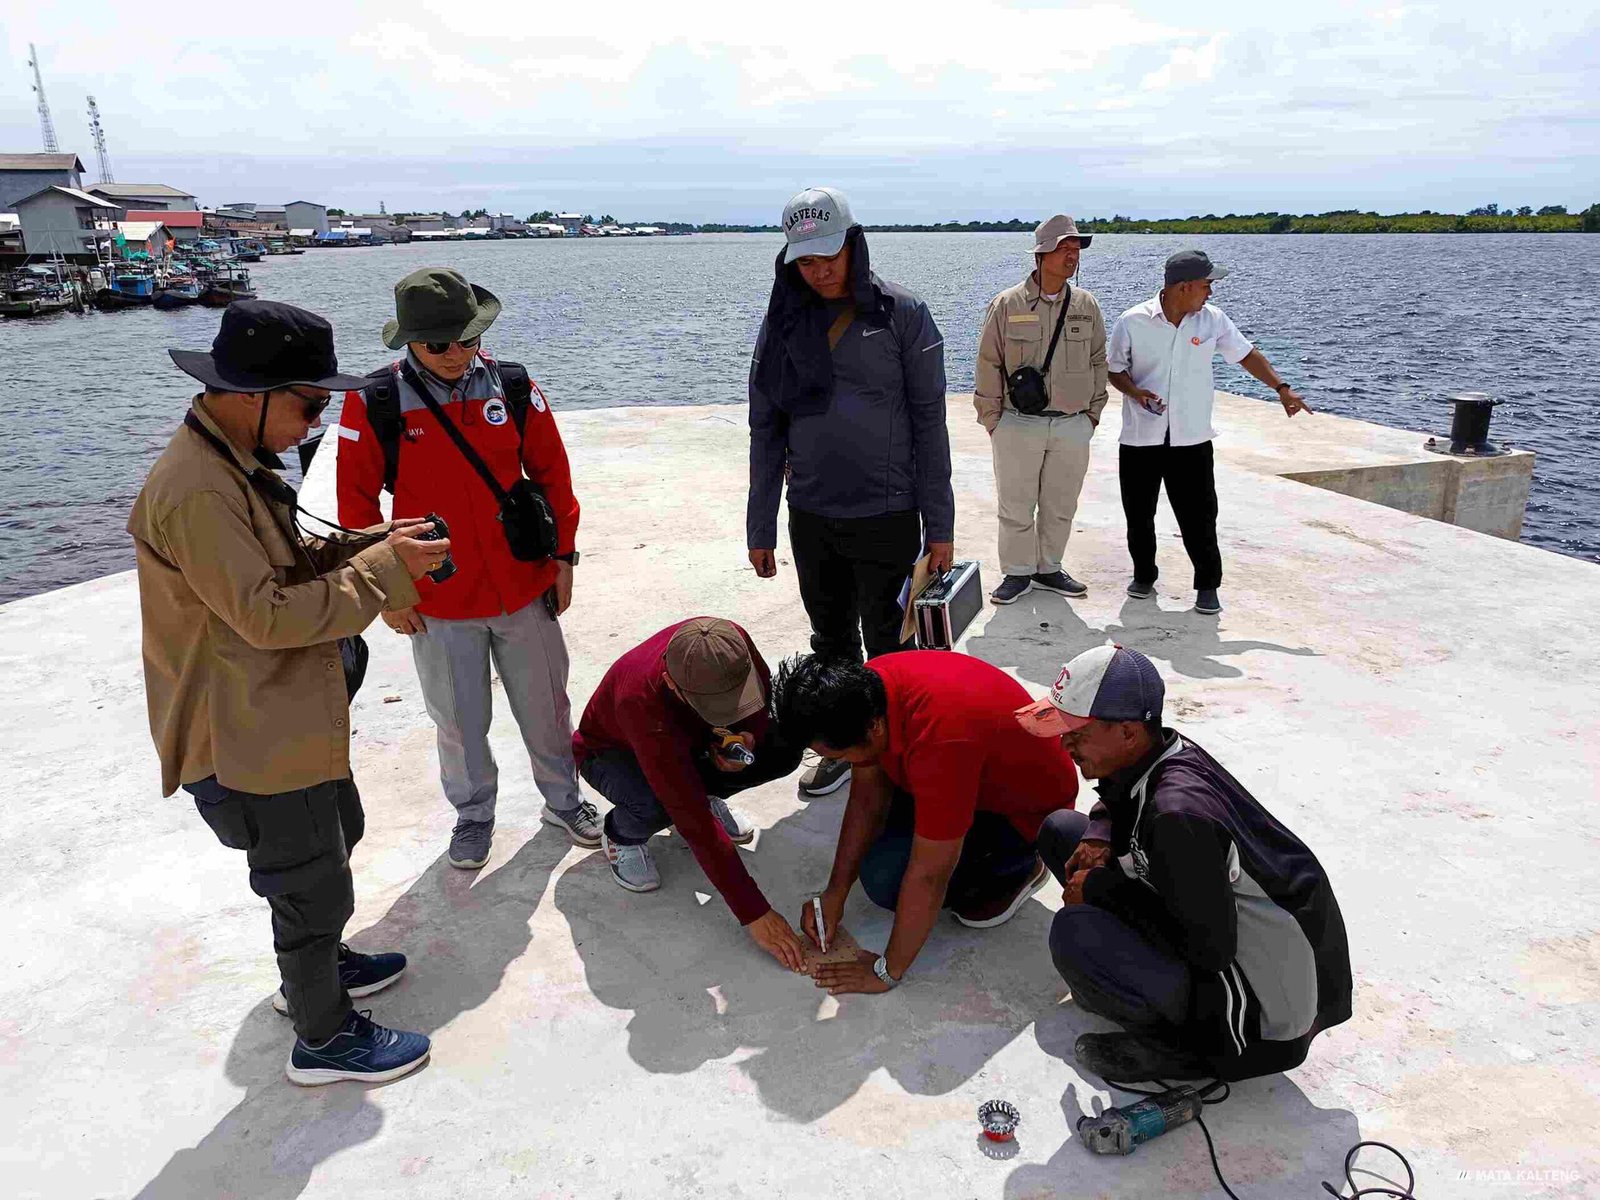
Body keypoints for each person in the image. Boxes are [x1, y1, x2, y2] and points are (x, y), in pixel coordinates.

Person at [128, 301, 443, 1085]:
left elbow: (284, 560)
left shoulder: (230, 461)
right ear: (248, 395)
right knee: (307, 879)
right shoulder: (198, 491)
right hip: (245, 734)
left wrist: (375, 541)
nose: (315, 422)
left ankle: (319, 966)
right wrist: (385, 572)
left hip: (278, 716)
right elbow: (269, 616)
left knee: (333, 841)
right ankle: (324, 1036)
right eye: (309, 404)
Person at [337, 267, 594, 871]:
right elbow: (355, 506)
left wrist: (564, 559)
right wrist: (390, 592)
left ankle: (564, 801)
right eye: (438, 344)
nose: (456, 355)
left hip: (523, 587)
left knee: (547, 705)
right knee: (458, 720)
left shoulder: (513, 387)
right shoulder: (374, 400)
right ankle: (474, 815)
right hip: (438, 599)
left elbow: (554, 477)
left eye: (468, 339)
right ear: (408, 343)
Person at [1015, 644, 1352, 1082]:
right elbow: (1119, 797)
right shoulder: (1162, 750)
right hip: (1223, 931)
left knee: (1075, 933)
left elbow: (1209, 950)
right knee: (1063, 832)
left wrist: (1101, 890)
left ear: (1129, 732)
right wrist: (1099, 835)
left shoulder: (1177, 819)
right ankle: (1147, 986)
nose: (1065, 743)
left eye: (1078, 731)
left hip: (1261, 1015)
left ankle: (1186, 1051)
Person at [747, 185, 957, 799]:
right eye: (804, 260)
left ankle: (899, 755)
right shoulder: (782, 321)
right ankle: (846, 746)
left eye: (829, 256)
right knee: (830, 639)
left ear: (855, 245)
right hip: (810, 514)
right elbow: (766, 429)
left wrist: (939, 527)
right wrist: (761, 526)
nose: (818, 271)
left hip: (888, 514)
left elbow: (930, 425)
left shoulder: (904, 315)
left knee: (892, 642)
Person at [769, 651, 1080, 995]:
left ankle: (1021, 867)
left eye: (838, 757)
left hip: (1021, 813)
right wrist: (834, 893)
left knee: (896, 885)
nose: (835, 762)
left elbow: (931, 874)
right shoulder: (862, 692)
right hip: (969, 774)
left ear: (872, 728)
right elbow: (867, 800)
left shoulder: (941, 741)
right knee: (882, 873)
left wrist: (887, 971)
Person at [572, 618, 810, 970]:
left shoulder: (730, 642)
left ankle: (704, 786)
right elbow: (693, 821)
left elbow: (760, 710)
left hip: (687, 740)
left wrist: (747, 737)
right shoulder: (639, 701)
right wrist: (754, 912)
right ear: (671, 682)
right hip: (611, 752)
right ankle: (621, 833)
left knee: (781, 750)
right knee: (659, 806)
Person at [1107, 249, 1312, 615]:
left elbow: (1247, 354)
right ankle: (1143, 574)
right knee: (1139, 513)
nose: (1211, 293)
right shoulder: (1132, 321)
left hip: (1192, 440)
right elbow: (1115, 370)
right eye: (1207, 285)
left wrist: (1282, 389)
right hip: (1141, 438)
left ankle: (1207, 585)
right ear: (1183, 287)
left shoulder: (1212, 320)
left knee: (1200, 516)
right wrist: (1135, 393)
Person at [973, 214, 1108, 605]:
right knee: (1015, 505)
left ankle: (1049, 567)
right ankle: (1017, 573)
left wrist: (1091, 415)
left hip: (1071, 425)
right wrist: (993, 420)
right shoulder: (1007, 303)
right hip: (1018, 424)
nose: (1072, 256)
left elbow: (1099, 360)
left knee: (1061, 504)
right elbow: (988, 362)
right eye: (1064, 248)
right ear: (1042, 254)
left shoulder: (1086, 305)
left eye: (1075, 249)